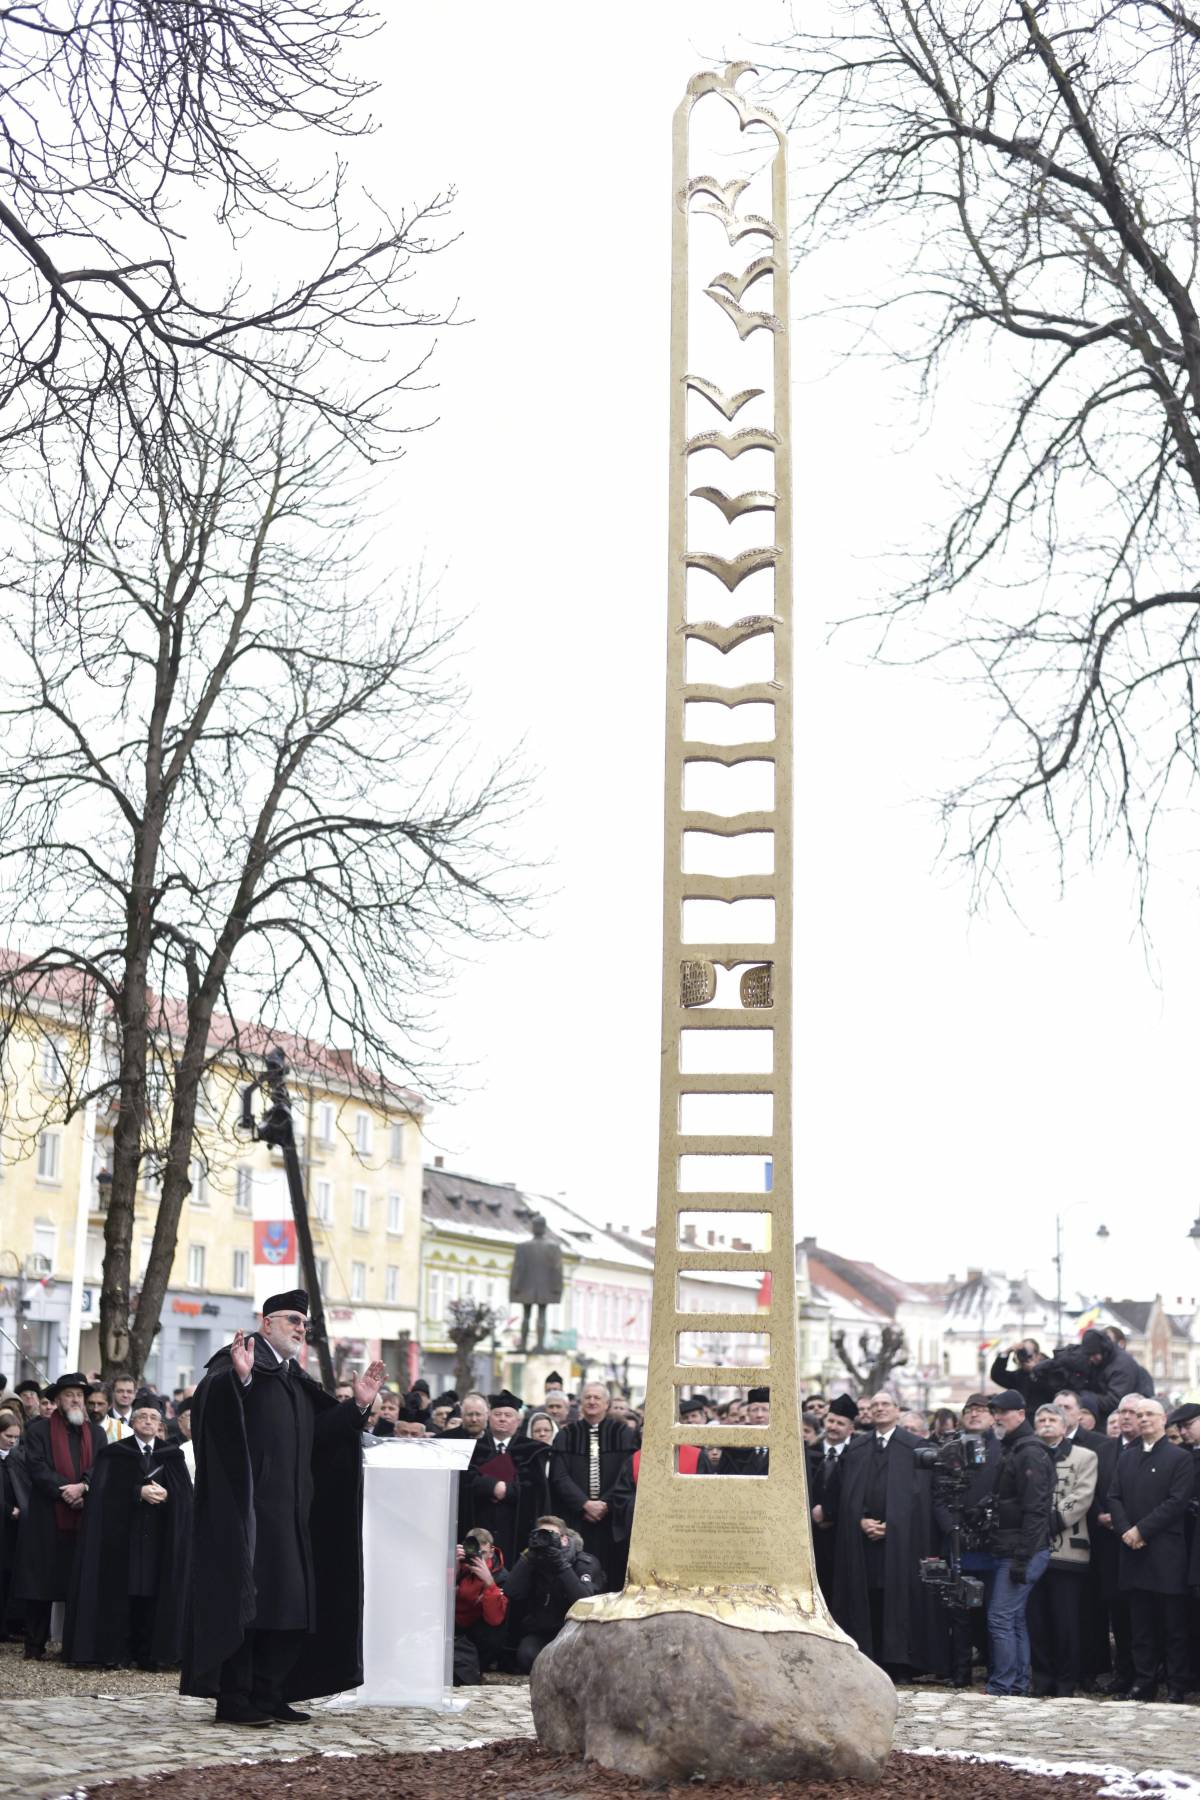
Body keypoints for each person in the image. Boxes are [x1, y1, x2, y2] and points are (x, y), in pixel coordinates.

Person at [180, 1289, 385, 1727]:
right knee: (250, 1609)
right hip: (250, 1516)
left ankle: (271, 1693)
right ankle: (234, 1699)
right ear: (266, 1321)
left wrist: (357, 1406)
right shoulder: (238, 1363)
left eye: (303, 1323)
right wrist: (241, 1380)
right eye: (292, 1319)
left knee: (290, 1609)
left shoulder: (293, 1378)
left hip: (292, 1516)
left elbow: (322, 1436)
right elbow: (214, 1409)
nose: (299, 1328)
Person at [67, 1395, 192, 1669]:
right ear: (133, 1421)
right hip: (122, 1539)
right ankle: (117, 1653)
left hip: (158, 1539)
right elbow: (101, 1494)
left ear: (160, 1423)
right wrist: (138, 1492)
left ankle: (151, 1654)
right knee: (121, 1594)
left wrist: (168, 1494)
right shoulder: (115, 1453)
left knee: (153, 1594)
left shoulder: (171, 1453)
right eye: (143, 1416)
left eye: (153, 1418)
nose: (148, 1422)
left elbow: (185, 1496)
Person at [830, 1390, 940, 1678]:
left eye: (885, 1404)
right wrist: (860, 1519)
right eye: (874, 1405)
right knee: (866, 1595)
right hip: (862, 1540)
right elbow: (846, 1495)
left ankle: (899, 1662)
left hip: (901, 1543)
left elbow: (921, 1500)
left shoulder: (915, 1447)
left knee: (897, 1597)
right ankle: (867, 1658)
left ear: (897, 1410)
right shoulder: (857, 1447)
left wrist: (894, 1526)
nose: (879, 1409)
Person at [12, 1372, 106, 1660]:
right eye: (69, 1395)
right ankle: (35, 1645)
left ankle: (73, 1646)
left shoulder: (97, 1433)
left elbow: (102, 1466)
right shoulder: (39, 1430)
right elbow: (36, 1468)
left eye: (80, 1395)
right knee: (40, 1583)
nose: (76, 1399)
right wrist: (65, 1490)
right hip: (47, 1518)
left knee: (78, 1584)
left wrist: (84, 1487)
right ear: (57, 1399)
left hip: (84, 1517)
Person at [1108, 1397, 1192, 1702]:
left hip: (1165, 1553)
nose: (1143, 1419)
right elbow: (1113, 1496)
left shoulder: (1179, 1458)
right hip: (1133, 1552)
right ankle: (1143, 1683)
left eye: (1149, 1414)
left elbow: (1176, 1501)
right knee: (1139, 1626)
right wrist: (1126, 1530)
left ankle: (1177, 1686)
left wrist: (1142, 1530)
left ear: (1163, 1419)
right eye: (1138, 1414)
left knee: (1173, 1627)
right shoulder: (1127, 1457)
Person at [983, 1390, 1056, 1697]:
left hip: (1023, 1549)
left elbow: (1037, 1509)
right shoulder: (1014, 1447)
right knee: (1012, 1618)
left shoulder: (1029, 1451)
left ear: (1021, 1413)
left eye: (1003, 1411)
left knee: (1000, 1617)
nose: (997, 1417)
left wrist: (1023, 1557)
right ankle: (1016, 1685)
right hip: (1014, 1547)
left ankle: (1004, 1687)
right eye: (995, 1412)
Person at [1025, 1403, 1097, 1697]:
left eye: (1052, 1418)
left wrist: (1048, 1522)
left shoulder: (1085, 1456)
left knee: (1065, 1621)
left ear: (1065, 1424)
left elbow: (1082, 1495)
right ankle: (1042, 1679)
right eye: (1040, 1419)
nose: (1046, 1423)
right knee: (1037, 1619)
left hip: (1068, 1549)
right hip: (1031, 1551)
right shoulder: (1028, 1455)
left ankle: (1066, 1682)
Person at [549, 1382, 636, 1588]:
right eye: (587, 1397)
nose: (592, 1401)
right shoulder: (566, 1435)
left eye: (597, 1398)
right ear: (580, 1403)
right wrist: (584, 1504)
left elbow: (627, 1474)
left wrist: (606, 1502)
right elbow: (559, 1476)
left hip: (612, 1518)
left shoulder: (623, 1433)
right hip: (577, 1517)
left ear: (607, 1404)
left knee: (613, 1572)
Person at [503, 1513, 604, 1672]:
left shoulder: (584, 1563)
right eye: (540, 1535)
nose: (545, 1540)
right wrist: (528, 1557)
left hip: (573, 1633)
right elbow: (510, 1591)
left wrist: (561, 1565)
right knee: (526, 1656)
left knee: (576, 1664)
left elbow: (585, 1600)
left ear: (564, 1539)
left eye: (550, 1536)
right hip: (542, 1632)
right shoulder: (533, 1561)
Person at [465, 1390, 524, 1569]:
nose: (502, 1419)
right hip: (481, 1519)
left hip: (515, 1524)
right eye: (498, 1414)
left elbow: (534, 1488)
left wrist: (508, 1490)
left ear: (517, 1420)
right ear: (489, 1418)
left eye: (508, 1415)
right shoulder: (473, 1449)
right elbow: (467, 1481)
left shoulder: (530, 1450)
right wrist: (493, 1486)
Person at [810, 1393, 856, 1604]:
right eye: (831, 1420)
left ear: (850, 1429)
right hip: (811, 1537)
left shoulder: (857, 1456)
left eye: (840, 1423)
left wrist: (829, 1512)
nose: (834, 1426)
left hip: (843, 1536)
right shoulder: (809, 1452)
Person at [452, 1527, 508, 1685]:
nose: (477, 1557)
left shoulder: (501, 1576)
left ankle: (478, 1667)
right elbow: (437, 1603)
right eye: (473, 1552)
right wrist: (453, 1570)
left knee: (494, 1631)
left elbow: (495, 1619)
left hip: (480, 1631)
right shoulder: (458, 1567)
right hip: (456, 1627)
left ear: (491, 1552)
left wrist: (489, 1583)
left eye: (482, 1553)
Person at [508, 1214, 563, 1354]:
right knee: (541, 1314)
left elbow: (518, 1268)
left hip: (527, 1288)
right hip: (545, 1288)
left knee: (526, 1315)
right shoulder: (553, 1247)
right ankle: (539, 1345)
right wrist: (557, 1287)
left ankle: (523, 1345)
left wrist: (516, 1286)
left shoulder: (523, 1247)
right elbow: (556, 1269)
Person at [0, 1412, 23, 1639]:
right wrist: (8, 1509)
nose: (13, 1441)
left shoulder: (15, 1458)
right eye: (8, 1436)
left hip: (13, 1528)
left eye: (16, 1437)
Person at [715, 1387, 771, 1475]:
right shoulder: (733, 1446)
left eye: (765, 1409)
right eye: (755, 1410)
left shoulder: (784, 1445)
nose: (759, 1415)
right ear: (748, 1413)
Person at [106, 1376, 139, 1441]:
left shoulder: (140, 1420)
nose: (125, 1395)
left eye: (129, 1392)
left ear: (135, 1394)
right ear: (113, 1393)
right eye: (120, 1391)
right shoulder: (104, 1418)